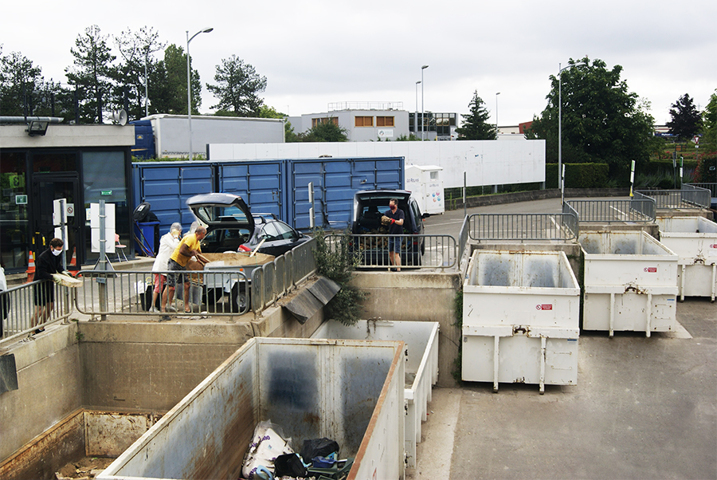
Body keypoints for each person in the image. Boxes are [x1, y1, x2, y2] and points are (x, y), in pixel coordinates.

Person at [162, 226, 207, 314]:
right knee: (170, 286)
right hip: (175, 262)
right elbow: (182, 251)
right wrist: (191, 253)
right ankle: (163, 307)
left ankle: (186, 306)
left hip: (182, 264)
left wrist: (209, 263)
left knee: (187, 284)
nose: (204, 236)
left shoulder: (197, 243)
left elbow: (200, 255)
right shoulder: (190, 238)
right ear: (201, 233)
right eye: (204, 234)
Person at [32, 238, 64, 333]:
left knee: (50, 306)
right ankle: (32, 330)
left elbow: (57, 265)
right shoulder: (43, 257)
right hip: (40, 283)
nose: (59, 251)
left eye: (60, 249)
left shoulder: (57, 255)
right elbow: (41, 273)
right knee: (39, 309)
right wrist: (53, 277)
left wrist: (63, 271)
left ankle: (41, 326)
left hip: (49, 282)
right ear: (51, 247)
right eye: (58, 249)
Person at [149, 223, 182, 312]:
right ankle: (152, 306)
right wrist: (175, 238)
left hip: (168, 266)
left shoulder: (175, 239)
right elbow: (175, 247)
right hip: (161, 266)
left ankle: (169, 304)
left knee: (172, 287)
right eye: (179, 232)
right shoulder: (166, 238)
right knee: (158, 287)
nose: (180, 234)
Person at [382, 198, 405, 272]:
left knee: (396, 253)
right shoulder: (387, 212)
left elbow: (401, 222)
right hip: (391, 234)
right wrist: (385, 221)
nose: (390, 206)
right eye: (390, 204)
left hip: (398, 235)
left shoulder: (400, 212)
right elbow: (383, 220)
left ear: (396, 205)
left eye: (392, 204)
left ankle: (399, 269)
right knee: (390, 252)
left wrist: (393, 221)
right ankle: (393, 267)